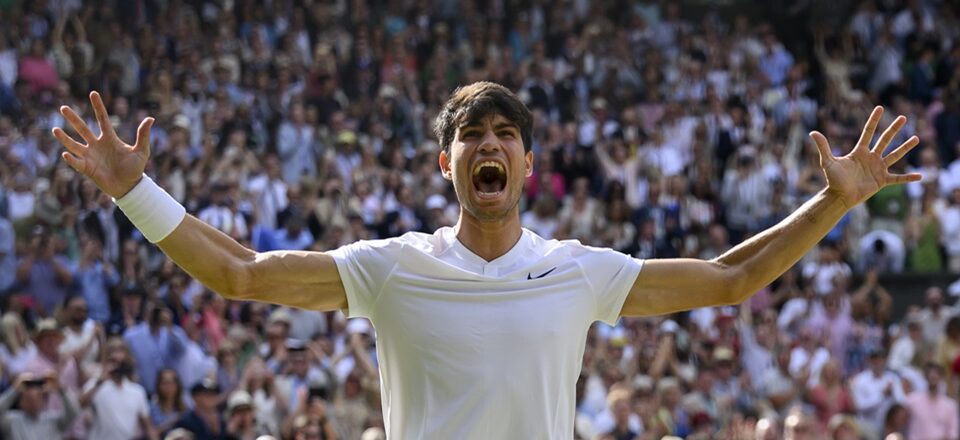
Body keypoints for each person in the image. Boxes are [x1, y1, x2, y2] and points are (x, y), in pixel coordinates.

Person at [53, 83, 921, 438]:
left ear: (529, 166)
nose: (489, 144)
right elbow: (241, 273)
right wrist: (137, 192)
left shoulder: (582, 269)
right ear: (449, 163)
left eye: (506, 133)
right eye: (472, 134)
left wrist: (836, 200)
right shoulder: (389, 266)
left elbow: (734, 278)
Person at [0, 372, 79, 440]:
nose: (34, 403)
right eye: (29, 399)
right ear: (21, 402)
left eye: (37, 398)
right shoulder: (11, 421)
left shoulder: (52, 420)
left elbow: (74, 411)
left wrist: (61, 390)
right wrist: (14, 390)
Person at [904, 363, 959, 440]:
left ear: (941, 378)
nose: (933, 377)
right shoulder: (911, 401)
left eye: (936, 374)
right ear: (926, 377)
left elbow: (953, 434)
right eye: (931, 374)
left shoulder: (950, 406)